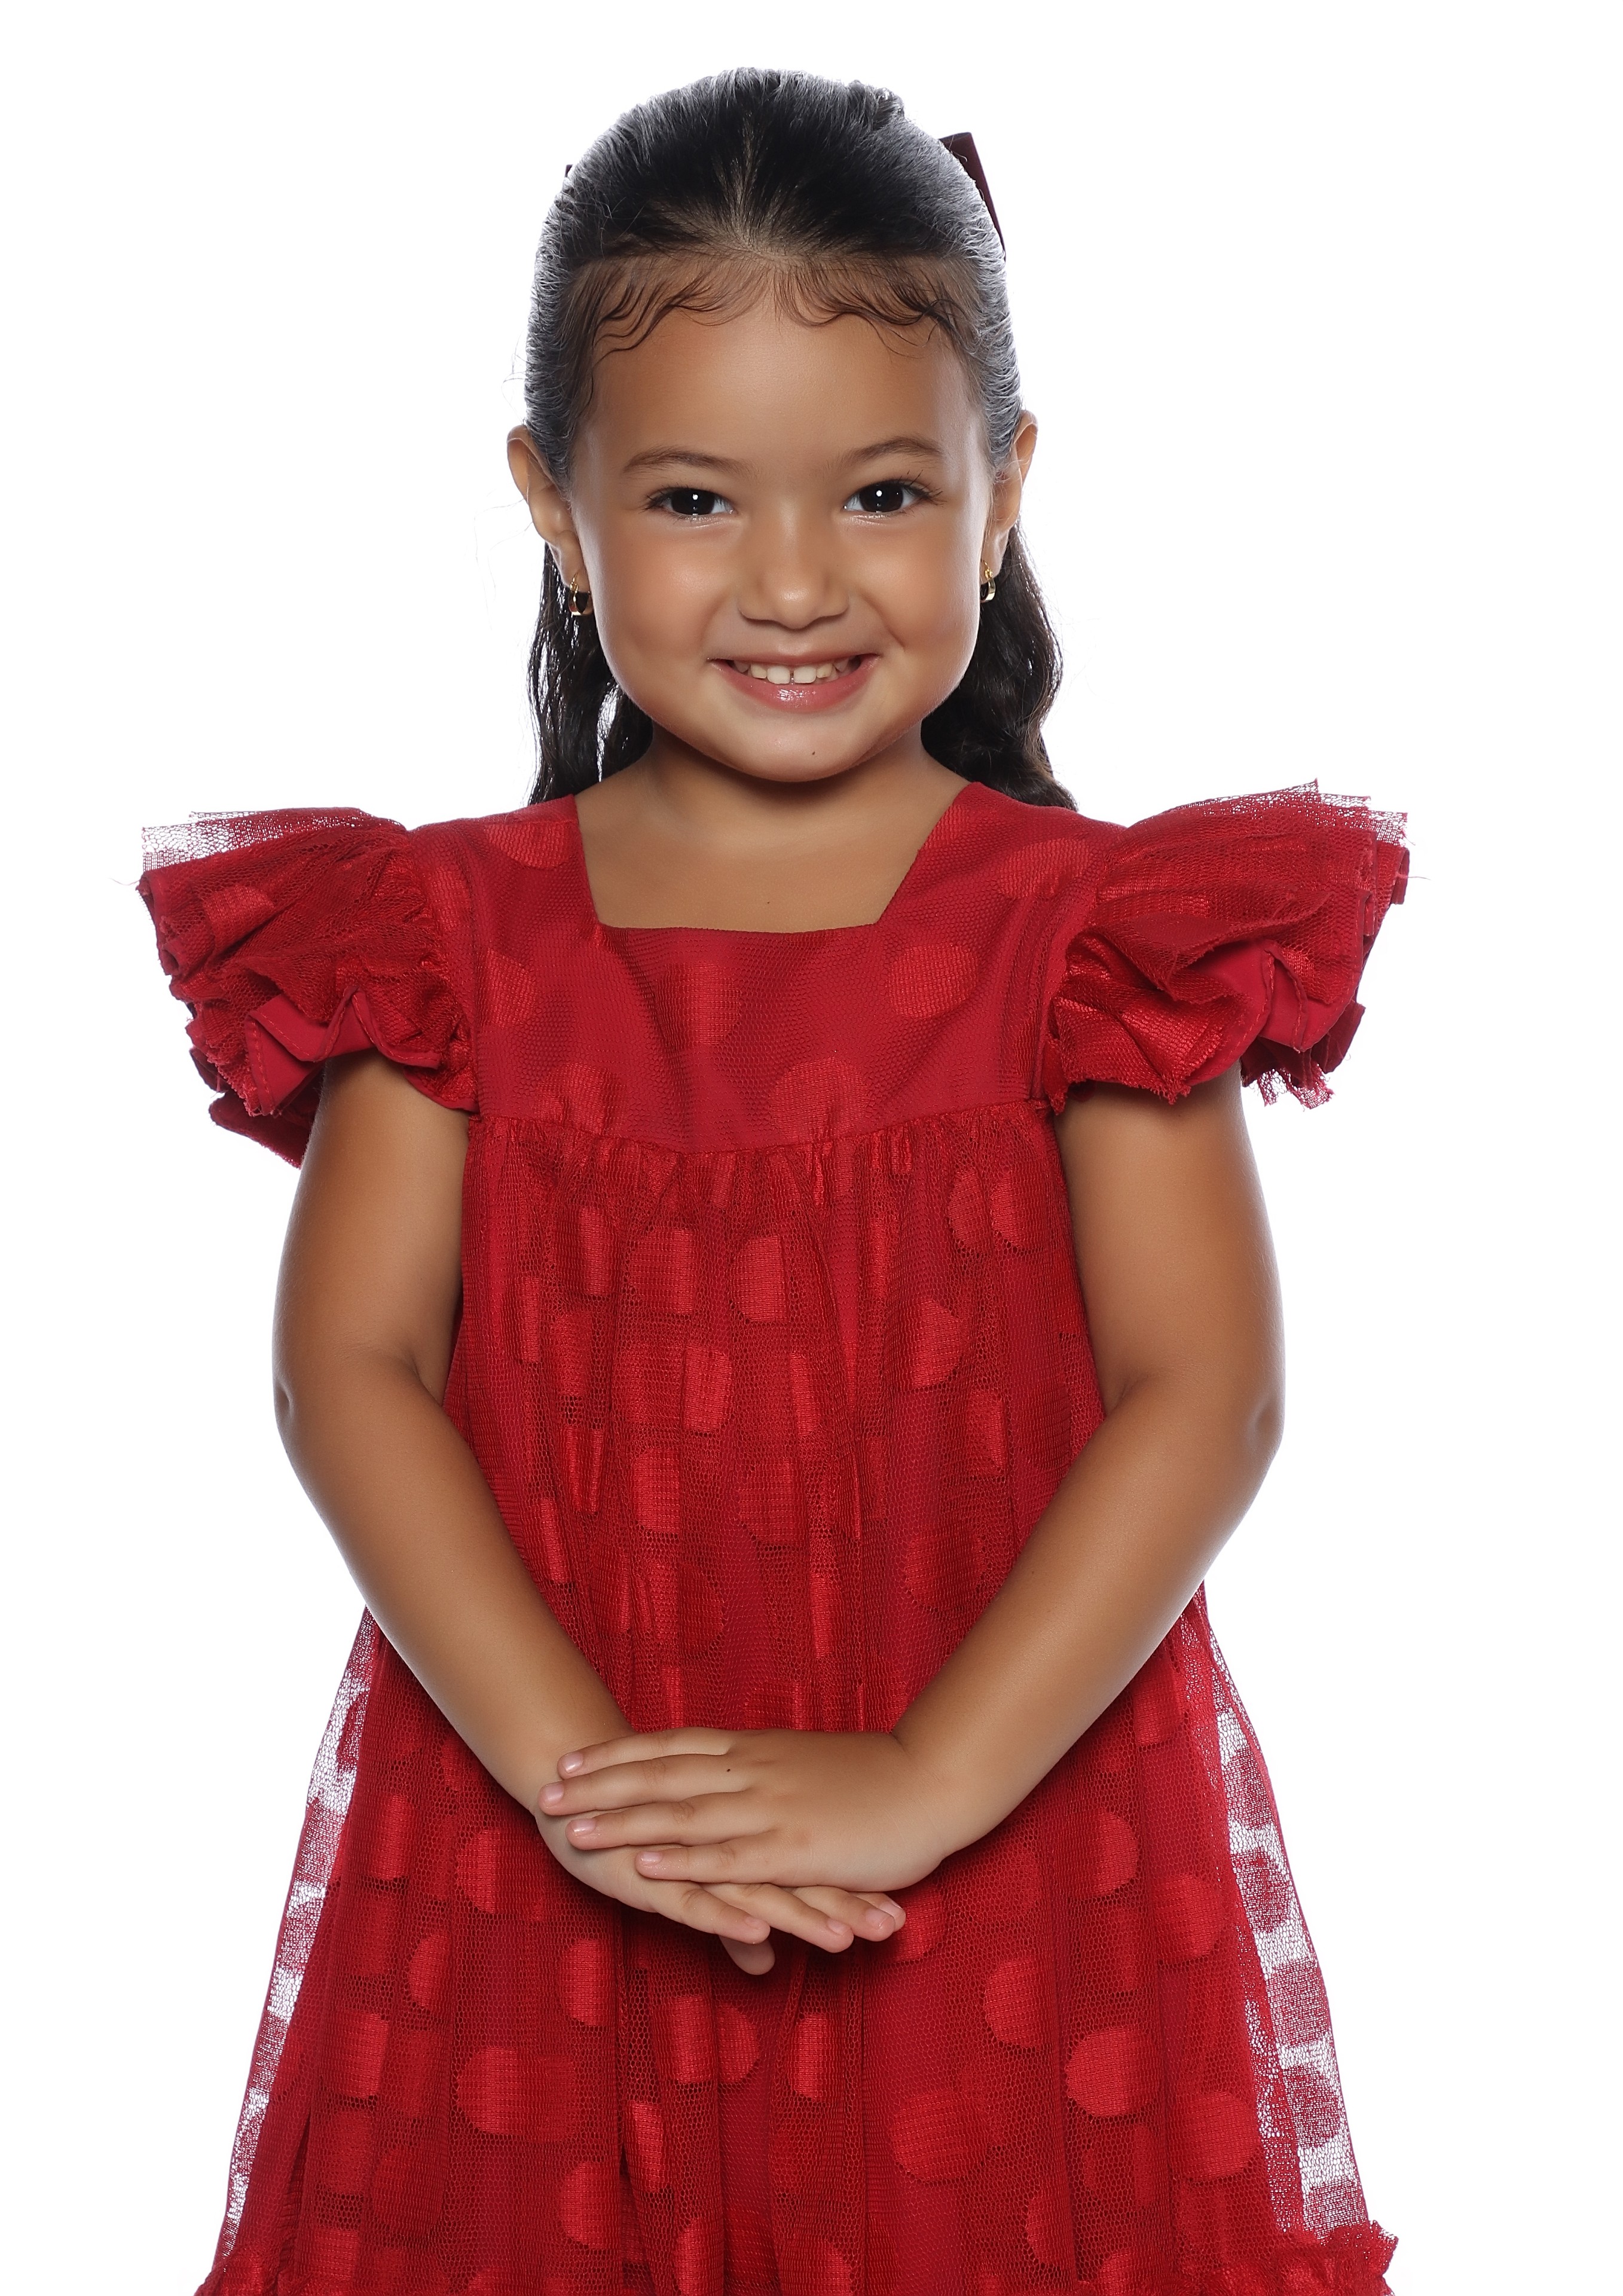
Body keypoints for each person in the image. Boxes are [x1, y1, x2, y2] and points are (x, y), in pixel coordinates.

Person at [140, 68, 1405, 2296]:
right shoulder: (440, 941)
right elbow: (350, 1368)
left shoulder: (1094, 941)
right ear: (555, 504)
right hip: (531, 1845)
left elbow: (1201, 1392)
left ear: (1003, 493)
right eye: (697, 499)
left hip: (1006, 1834)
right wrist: (586, 1787)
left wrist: (920, 1776)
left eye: (884, 490)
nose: (797, 580)